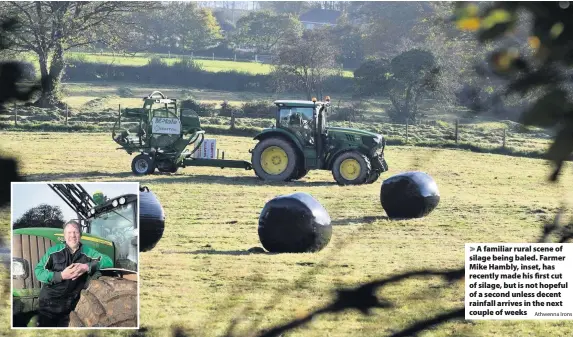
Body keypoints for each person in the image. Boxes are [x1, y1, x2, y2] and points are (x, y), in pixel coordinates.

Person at [34, 219, 113, 327]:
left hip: (72, 307)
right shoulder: (53, 251)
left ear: (80, 235)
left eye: (75, 232)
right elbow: (39, 272)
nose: (72, 235)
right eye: (69, 233)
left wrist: (87, 266)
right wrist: (61, 275)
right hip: (49, 304)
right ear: (64, 235)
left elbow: (108, 261)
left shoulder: (88, 252)